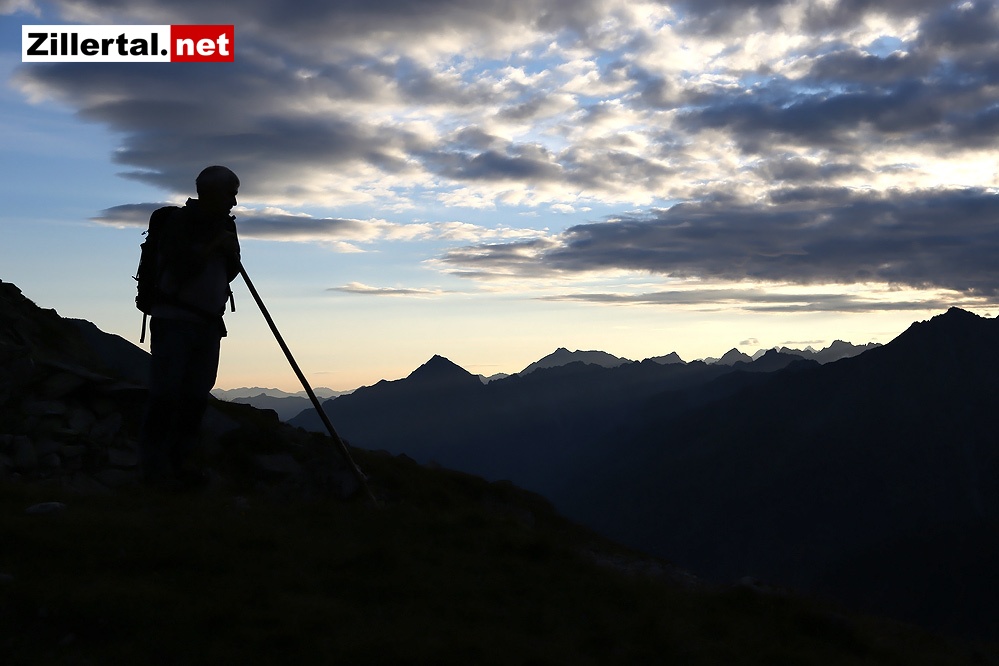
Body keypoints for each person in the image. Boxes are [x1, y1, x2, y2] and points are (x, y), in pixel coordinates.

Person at [139, 165, 241, 486]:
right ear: (211, 192)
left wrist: (229, 252)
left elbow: (229, 272)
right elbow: (181, 268)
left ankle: (179, 464)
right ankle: (154, 469)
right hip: (175, 320)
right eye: (230, 194)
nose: (234, 202)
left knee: (196, 397)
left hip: (208, 323)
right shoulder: (180, 223)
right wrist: (216, 244)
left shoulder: (225, 226)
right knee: (167, 394)